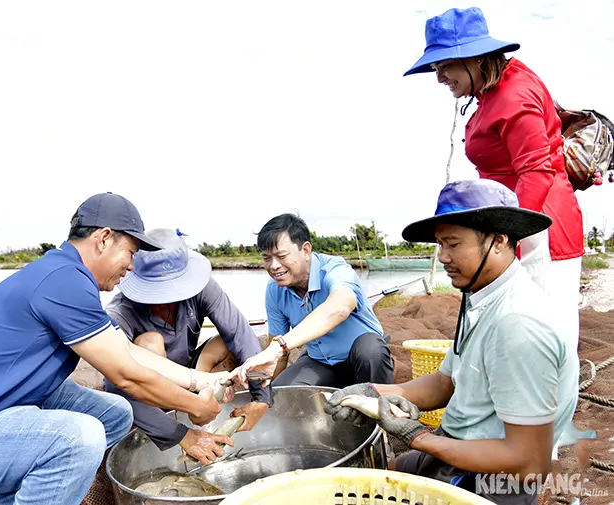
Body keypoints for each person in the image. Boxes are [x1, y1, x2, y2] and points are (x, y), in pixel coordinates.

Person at [0, 193, 228, 505]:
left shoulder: (67, 275)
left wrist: (200, 381)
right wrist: (193, 412)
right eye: (130, 252)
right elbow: (126, 376)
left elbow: (127, 351)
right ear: (104, 238)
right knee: (79, 437)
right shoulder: (63, 281)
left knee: (115, 414)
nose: (132, 265)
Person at [325, 180, 579, 505]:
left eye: (453, 244)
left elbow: (526, 458)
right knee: (366, 481)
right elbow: (444, 383)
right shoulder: (480, 296)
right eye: (440, 244)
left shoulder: (518, 322)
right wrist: (371, 392)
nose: (443, 256)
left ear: (498, 241)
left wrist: (417, 436)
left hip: (495, 475)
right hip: (456, 442)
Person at [403, 7, 584, 352]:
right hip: (509, 220)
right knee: (509, 324)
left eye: (445, 66)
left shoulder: (514, 96)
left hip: (538, 225)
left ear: (475, 58)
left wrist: (511, 236)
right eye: (436, 68)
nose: (439, 76)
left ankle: (549, 405)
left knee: (544, 329)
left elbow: (537, 171)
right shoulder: (488, 91)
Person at [105, 228, 271, 462]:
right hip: (152, 388)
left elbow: (239, 332)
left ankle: (203, 397)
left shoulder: (202, 288)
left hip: (191, 372)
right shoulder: (120, 312)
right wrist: (180, 435)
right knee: (151, 342)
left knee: (229, 340)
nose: (167, 298)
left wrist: (260, 397)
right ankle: (181, 409)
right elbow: (116, 382)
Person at [227, 213, 394, 389]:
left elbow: (339, 308)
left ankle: (378, 407)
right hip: (320, 362)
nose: (274, 266)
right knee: (283, 395)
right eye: (267, 258)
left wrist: (278, 346)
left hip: (362, 358)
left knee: (371, 350)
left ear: (306, 250)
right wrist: (263, 391)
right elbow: (277, 353)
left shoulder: (335, 270)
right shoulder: (275, 289)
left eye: (281, 256)